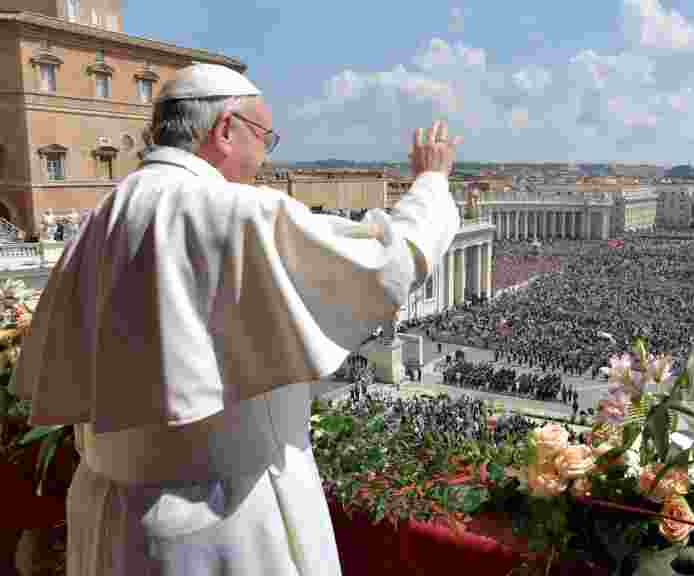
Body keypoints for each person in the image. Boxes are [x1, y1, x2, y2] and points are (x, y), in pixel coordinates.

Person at [11, 64, 462, 576]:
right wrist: (432, 181)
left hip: (112, 519)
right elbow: (387, 264)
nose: (266, 156)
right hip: (221, 522)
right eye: (265, 138)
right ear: (226, 129)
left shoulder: (106, 213)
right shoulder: (231, 210)